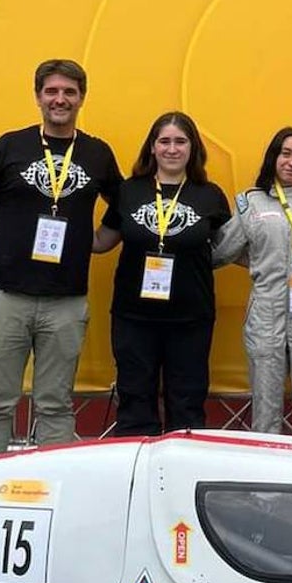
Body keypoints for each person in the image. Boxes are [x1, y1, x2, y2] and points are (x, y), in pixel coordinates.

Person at [0, 59, 123, 460]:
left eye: (69, 93)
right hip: (7, 297)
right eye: (52, 91)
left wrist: (99, 241)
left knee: (55, 405)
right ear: (38, 96)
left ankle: (53, 494)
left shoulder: (97, 154)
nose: (60, 100)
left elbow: (125, 207)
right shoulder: (10, 146)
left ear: (82, 98)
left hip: (66, 302)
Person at [94, 111, 230, 436]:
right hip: (133, 317)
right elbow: (101, 242)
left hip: (190, 320)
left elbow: (232, 249)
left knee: (187, 406)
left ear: (192, 148)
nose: (172, 149)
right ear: (152, 147)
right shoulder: (129, 191)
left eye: (180, 141)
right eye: (164, 141)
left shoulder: (209, 195)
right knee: (134, 402)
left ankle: (179, 478)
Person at [213, 127, 292, 438]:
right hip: (266, 313)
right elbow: (220, 252)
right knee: (266, 409)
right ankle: (266, 486)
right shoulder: (251, 203)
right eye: (286, 153)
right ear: (274, 157)